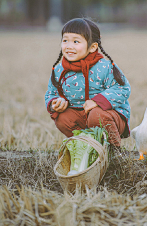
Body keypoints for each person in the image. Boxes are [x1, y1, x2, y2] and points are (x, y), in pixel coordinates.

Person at [45, 14, 130, 154]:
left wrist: (97, 102)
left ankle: (115, 151)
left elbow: (123, 88)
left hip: (110, 117)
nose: (69, 46)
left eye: (76, 42)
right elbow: (51, 92)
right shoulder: (59, 70)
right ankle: (85, 147)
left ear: (92, 47)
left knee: (96, 115)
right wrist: (55, 102)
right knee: (62, 118)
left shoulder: (104, 67)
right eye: (65, 40)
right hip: (81, 118)